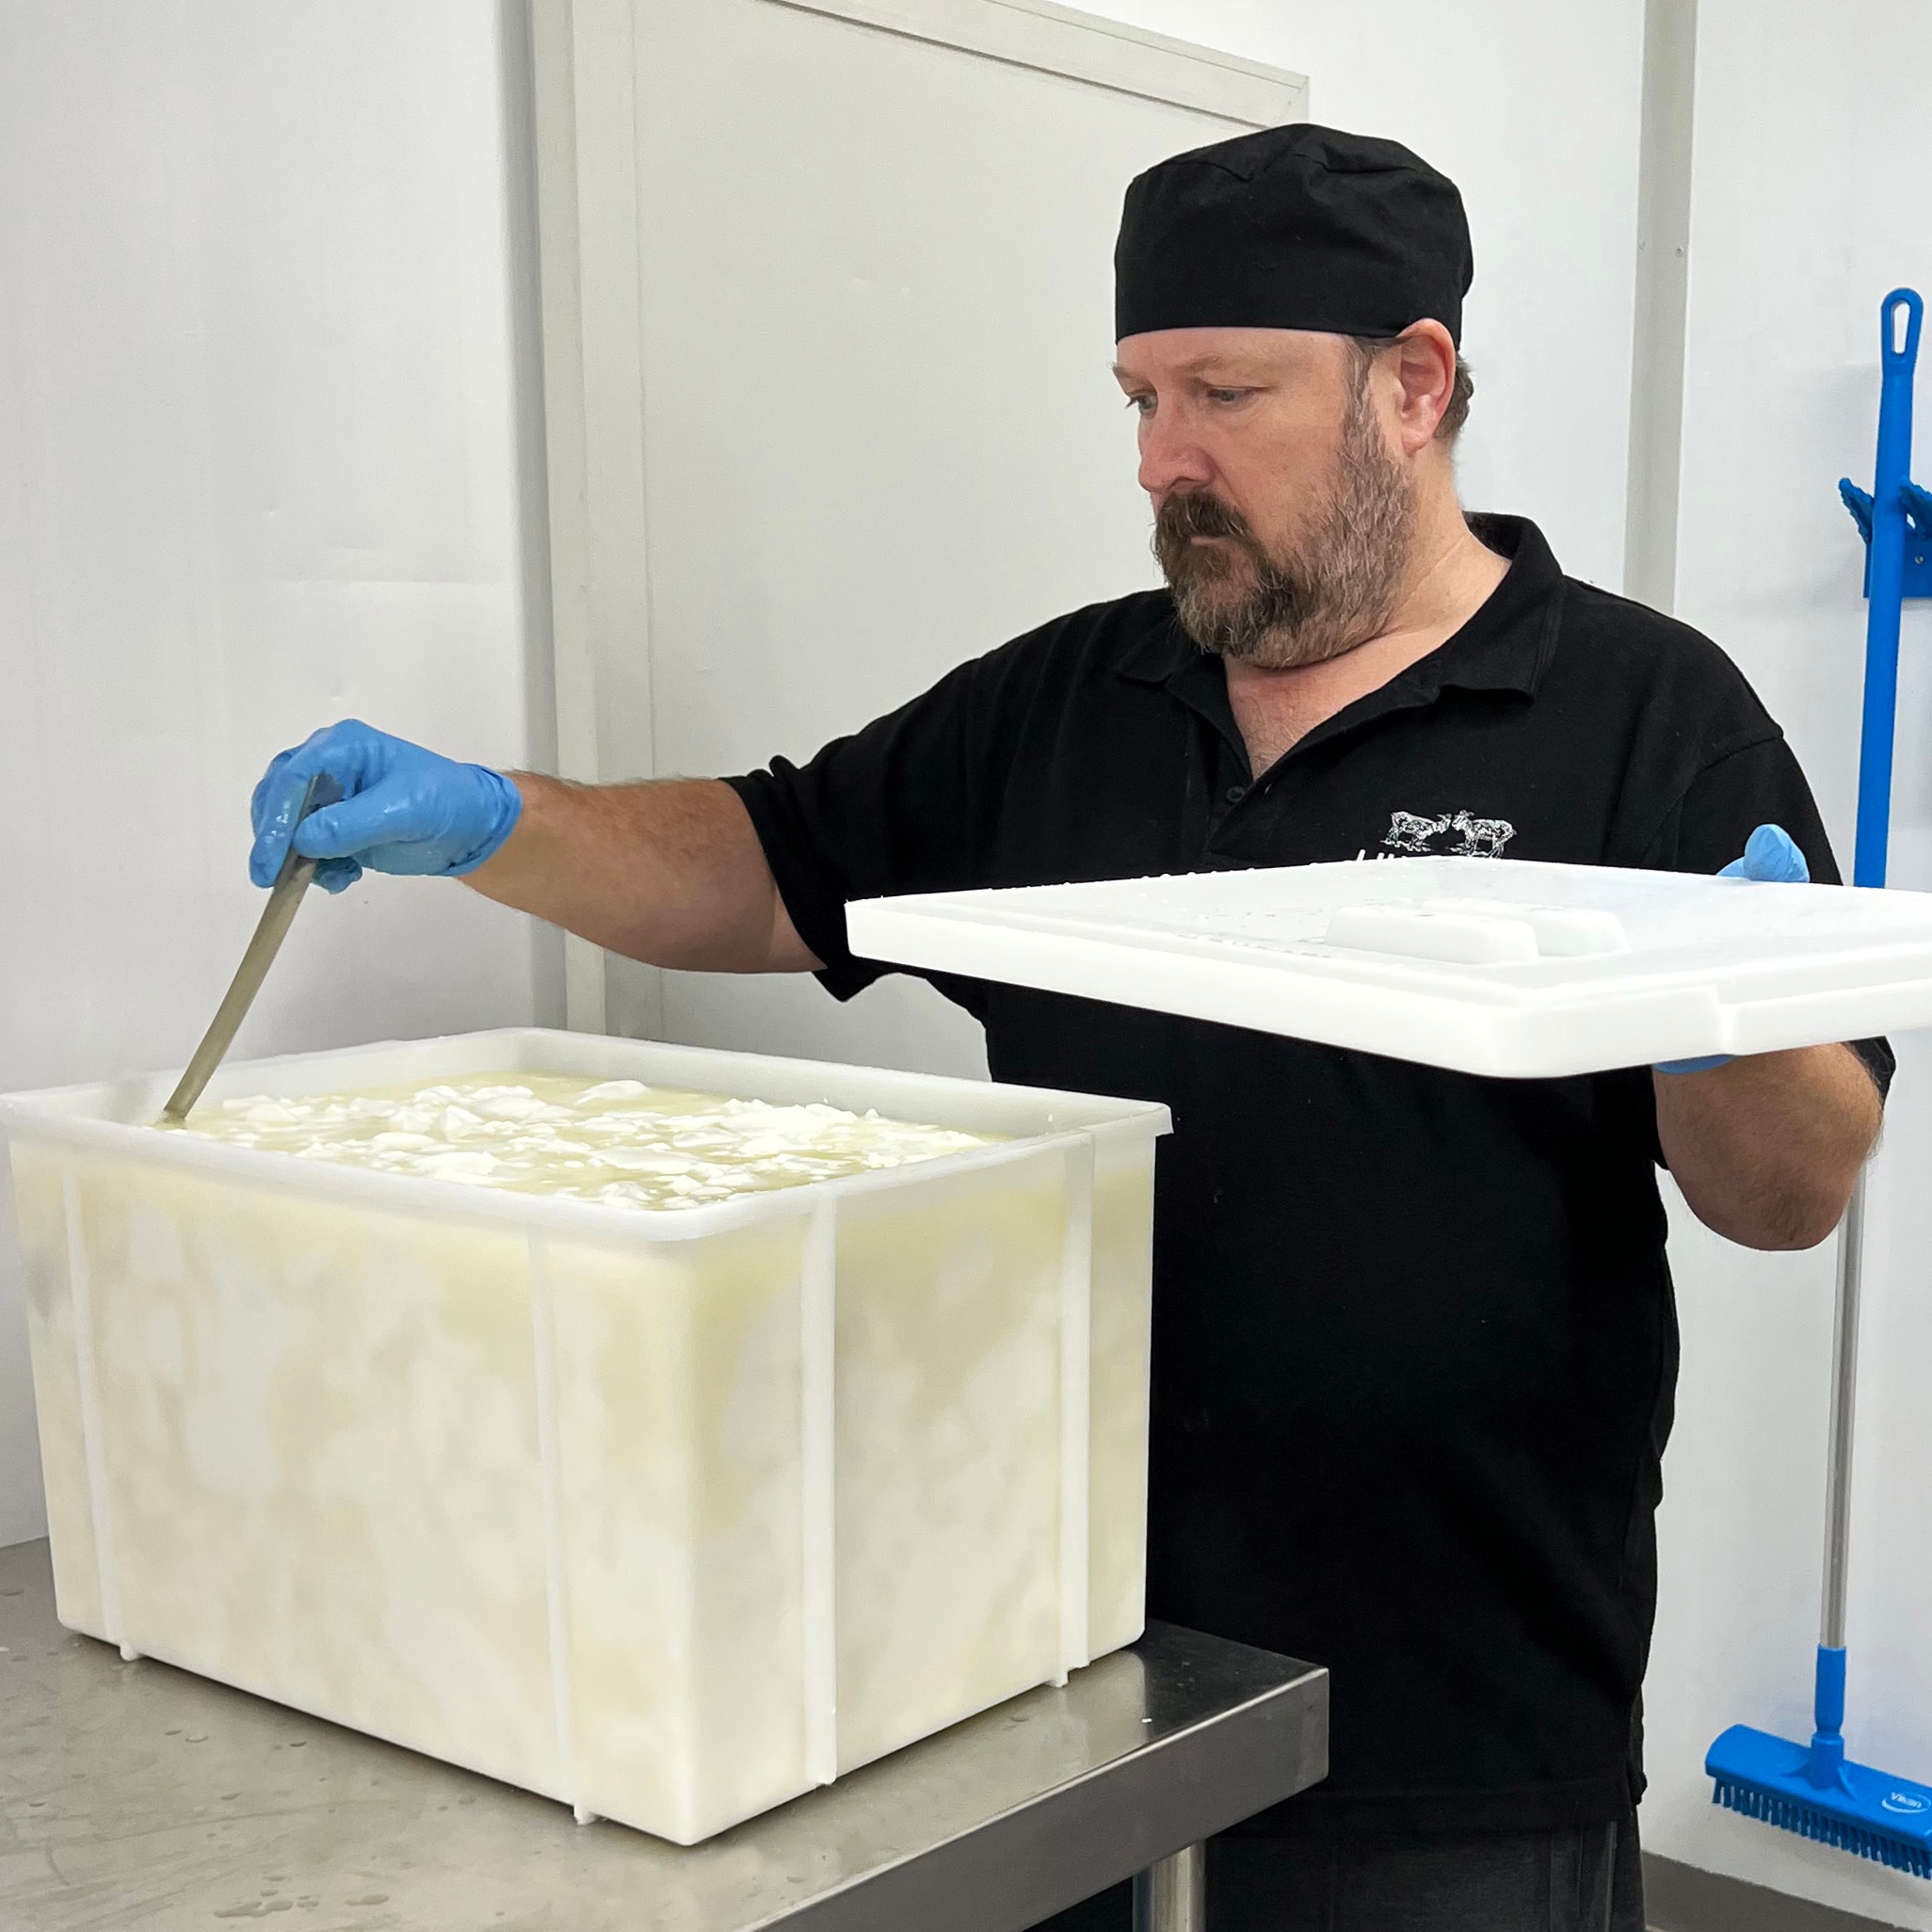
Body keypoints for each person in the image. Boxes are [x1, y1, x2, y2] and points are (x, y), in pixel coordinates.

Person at [248, 125, 1889, 1931]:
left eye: (1224, 393)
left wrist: (1723, 1000)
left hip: (1457, 1729)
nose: (1160, 461)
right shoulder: (1075, 698)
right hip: (1058, 1680)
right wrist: (495, 816)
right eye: (1136, 396)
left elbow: (1788, 1190)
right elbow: (774, 871)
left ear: (1413, 386)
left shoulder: (1646, 715)